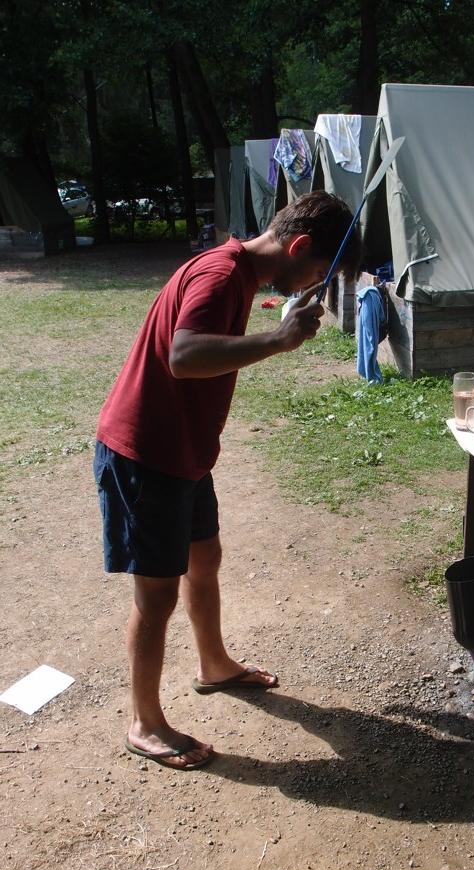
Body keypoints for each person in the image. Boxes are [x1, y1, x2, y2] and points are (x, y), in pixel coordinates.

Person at [94, 191, 360, 770]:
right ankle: (144, 723)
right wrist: (278, 339)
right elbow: (184, 356)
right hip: (147, 454)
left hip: (186, 450)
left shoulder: (240, 273)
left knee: (204, 558)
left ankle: (213, 665)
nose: (315, 285)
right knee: (157, 593)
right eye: (318, 272)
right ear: (298, 245)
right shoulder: (220, 276)